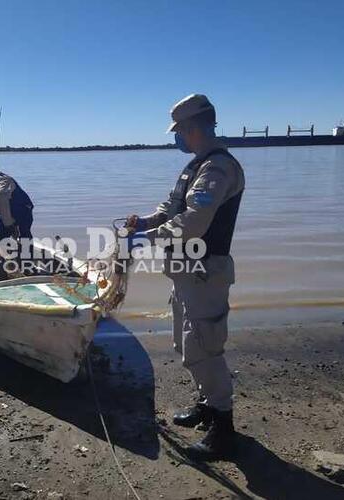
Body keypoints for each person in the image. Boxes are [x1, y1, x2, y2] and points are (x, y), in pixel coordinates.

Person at [126, 94, 245, 459]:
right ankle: (207, 406)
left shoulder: (218, 169)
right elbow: (171, 207)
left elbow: (193, 223)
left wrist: (147, 238)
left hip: (205, 272)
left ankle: (223, 428)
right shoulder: (195, 167)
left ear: (192, 128)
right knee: (186, 344)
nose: (176, 137)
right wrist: (146, 221)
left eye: (178, 131)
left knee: (204, 348)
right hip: (185, 273)